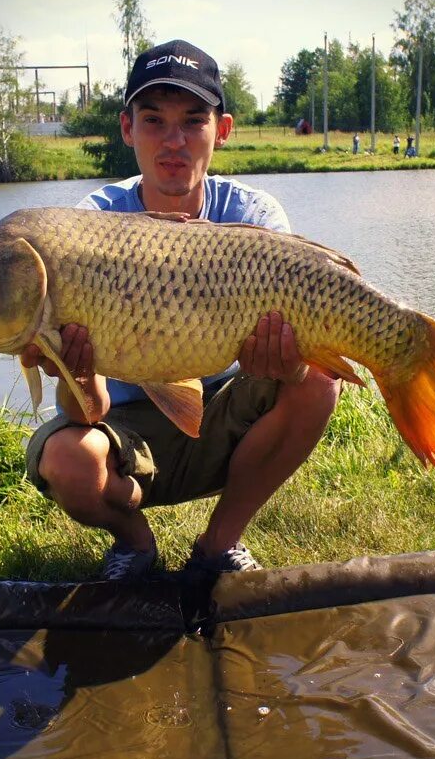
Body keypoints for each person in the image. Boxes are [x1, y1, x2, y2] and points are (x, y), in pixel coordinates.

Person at [20, 39, 341, 580]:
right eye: (153, 120)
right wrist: (74, 371)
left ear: (223, 130)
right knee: (67, 461)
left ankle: (218, 548)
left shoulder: (254, 217)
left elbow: (291, 369)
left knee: (318, 382)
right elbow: (87, 413)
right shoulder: (85, 230)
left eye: (193, 122)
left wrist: (287, 363)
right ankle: (134, 546)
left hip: (227, 416)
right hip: (123, 428)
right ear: (127, 128)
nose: (174, 142)